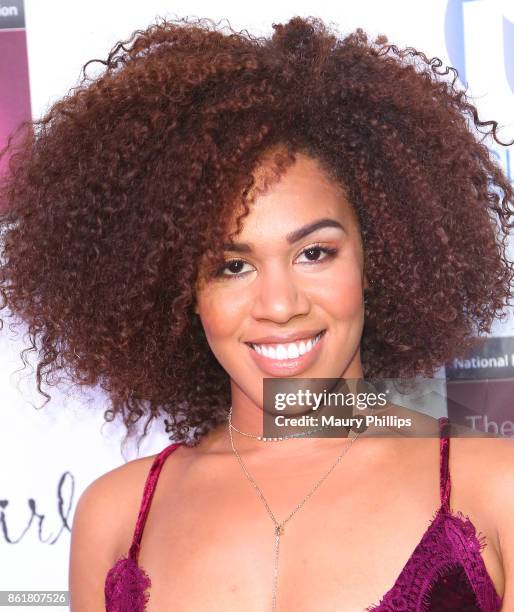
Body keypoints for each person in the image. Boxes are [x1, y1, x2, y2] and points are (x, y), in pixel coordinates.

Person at [1, 14, 513, 612]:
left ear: (381, 256)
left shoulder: (494, 491)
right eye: (232, 266)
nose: (279, 305)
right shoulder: (115, 517)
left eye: (314, 253)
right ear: (178, 290)